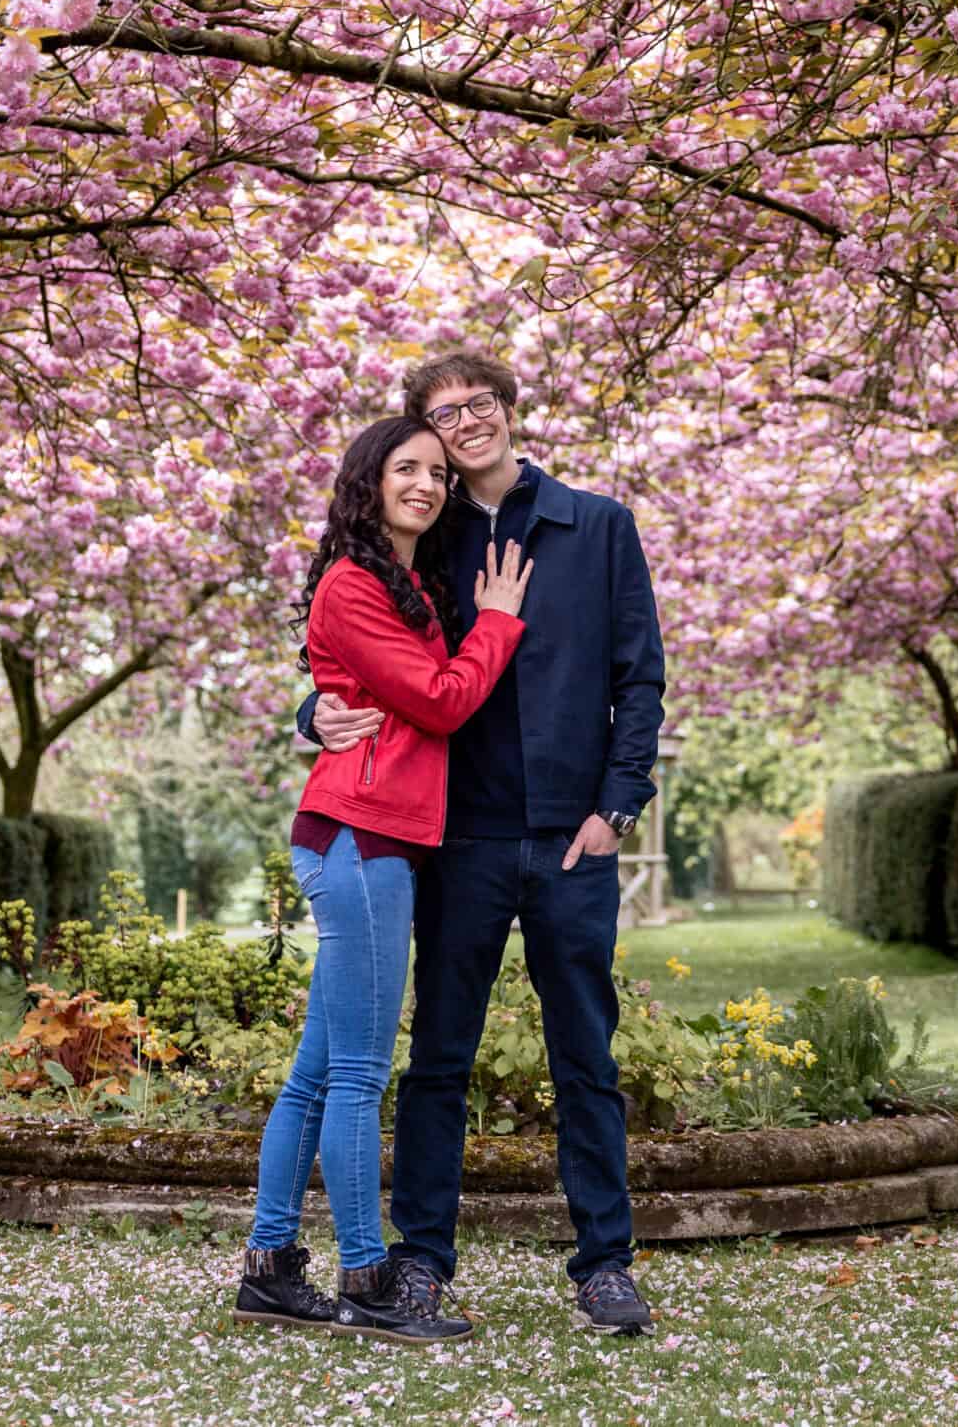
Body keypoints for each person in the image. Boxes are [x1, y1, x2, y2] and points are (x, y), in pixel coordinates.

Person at [303, 351, 666, 1337]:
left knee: (584, 1054)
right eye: (439, 415)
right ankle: (421, 1261)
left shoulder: (596, 528)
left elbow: (640, 682)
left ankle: (604, 1262)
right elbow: (351, 646)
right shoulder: (426, 535)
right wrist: (311, 711)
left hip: (569, 843)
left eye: (479, 405)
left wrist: (616, 807)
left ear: (510, 410)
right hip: (454, 839)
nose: (462, 426)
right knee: (438, 1059)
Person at [233, 414, 534, 1346]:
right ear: (368, 482)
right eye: (406, 467)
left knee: (317, 1075)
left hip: (369, 837)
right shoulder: (357, 584)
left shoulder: (404, 582)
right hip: (360, 839)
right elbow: (441, 699)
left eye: (439, 472)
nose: (428, 483)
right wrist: (500, 623)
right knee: (361, 1074)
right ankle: (368, 1277)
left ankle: (272, 1268)